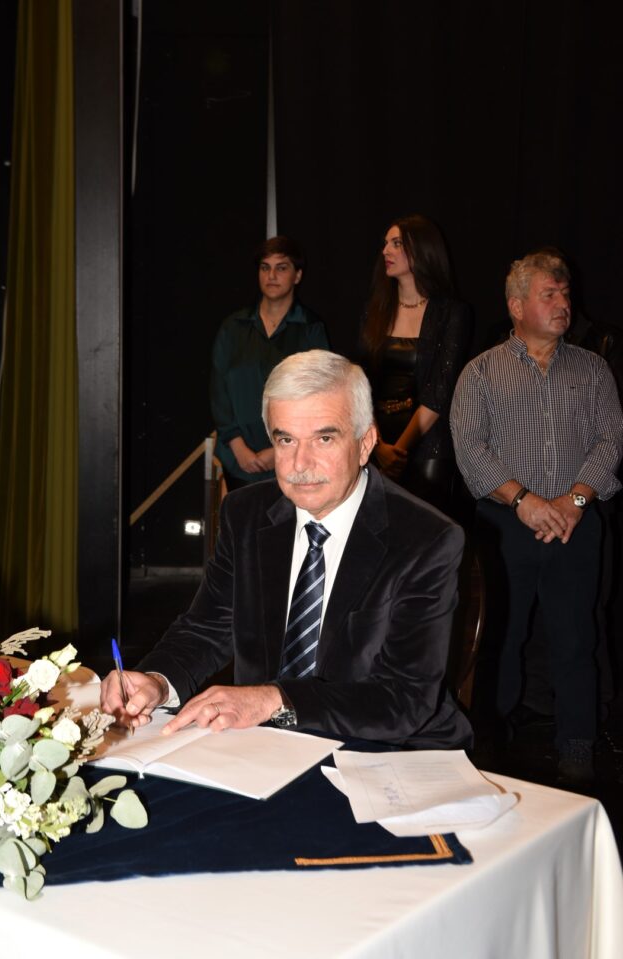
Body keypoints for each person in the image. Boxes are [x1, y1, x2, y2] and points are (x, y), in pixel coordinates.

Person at [102, 350, 472, 750]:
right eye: (286, 440)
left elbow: (404, 699)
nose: (300, 463)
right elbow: (206, 628)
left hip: (391, 752)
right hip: (265, 749)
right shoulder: (246, 514)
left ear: (366, 443)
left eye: (324, 438)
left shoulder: (425, 539)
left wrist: (276, 700)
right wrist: (156, 681)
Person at [450, 252, 623, 782]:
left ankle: (577, 746)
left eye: (565, 294)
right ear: (516, 305)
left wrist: (572, 503)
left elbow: (609, 441)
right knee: (499, 638)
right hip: (505, 524)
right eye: (549, 294)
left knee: (576, 638)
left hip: (576, 522)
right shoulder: (481, 372)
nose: (563, 303)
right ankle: (489, 745)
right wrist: (524, 501)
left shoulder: (592, 368)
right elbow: (470, 448)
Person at [360, 214, 472, 513]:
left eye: (396, 243)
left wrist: (398, 451)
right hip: (376, 441)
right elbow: (360, 382)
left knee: (424, 530)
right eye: (386, 243)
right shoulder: (375, 310)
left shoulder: (452, 312)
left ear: (422, 249)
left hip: (427, 446)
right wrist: (378, 446)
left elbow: (440, 391)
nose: (385, 250)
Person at [210, 235, 329, 491]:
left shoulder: (311, 330)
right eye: (265, 268)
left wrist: (280, 450)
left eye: (281, 268)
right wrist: (237, 446)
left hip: (293, 459)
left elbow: (318, 396)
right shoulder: (233, 328)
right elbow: (219, 393)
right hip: (238, 459)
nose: (271, 276)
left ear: (297, 275)